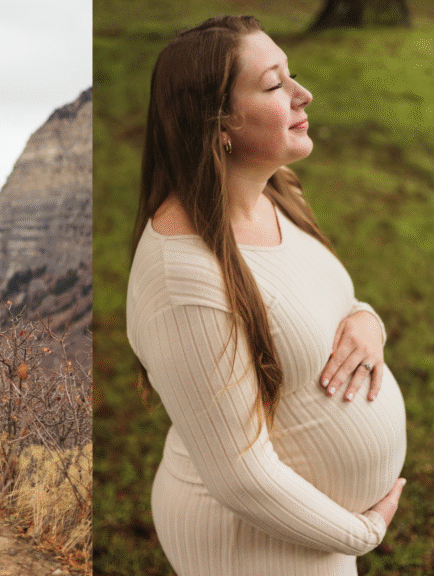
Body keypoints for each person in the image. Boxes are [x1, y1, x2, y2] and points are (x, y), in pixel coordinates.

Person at [126, 16, 407, 574]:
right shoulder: (185, 279)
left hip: (309, 533)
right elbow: (240, 476)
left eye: (291, 75)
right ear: (219, 124)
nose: (305, 95)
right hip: (250, 545)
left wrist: (367, 324)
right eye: (276, 85)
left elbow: (325, 300)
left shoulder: (274, 190)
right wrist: (361, 533)